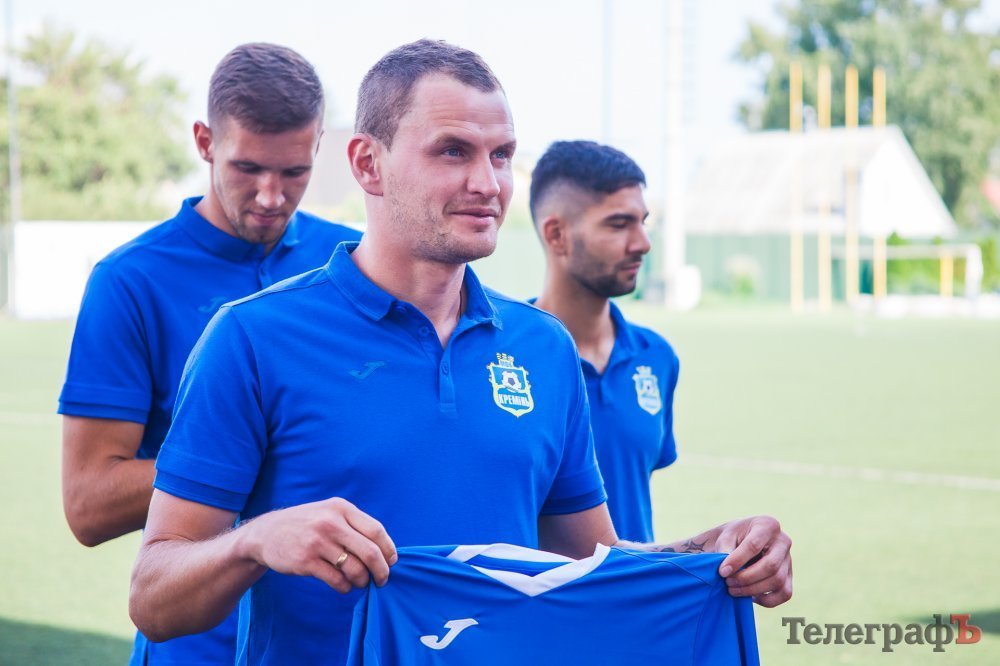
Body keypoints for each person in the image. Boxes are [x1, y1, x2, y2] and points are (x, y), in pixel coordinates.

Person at [130, 39, 792, 665]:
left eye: (501, 155)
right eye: (453, 151)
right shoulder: (251, 337)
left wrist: (712, 554)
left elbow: (590, 563)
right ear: (367, 164)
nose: (488, 182)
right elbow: (154, 598)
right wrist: (254, 541)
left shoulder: (543, 347)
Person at [59, 43, 361, 665]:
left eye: (294, 172)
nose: (271, 195)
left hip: (330, 642)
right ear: (204, 142)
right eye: (247, 167)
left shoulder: (355, 262)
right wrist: (244, 456)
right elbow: (88, 503)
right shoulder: (130, 280)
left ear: (318, 150)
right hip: (197, 645)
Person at [530, 140, 677, 543]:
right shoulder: (505, 358)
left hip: (635, 582)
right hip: (542, 587)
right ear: (557, 235)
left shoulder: (657, 357)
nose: (642, 243)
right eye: (618, 224)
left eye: (642, 222)